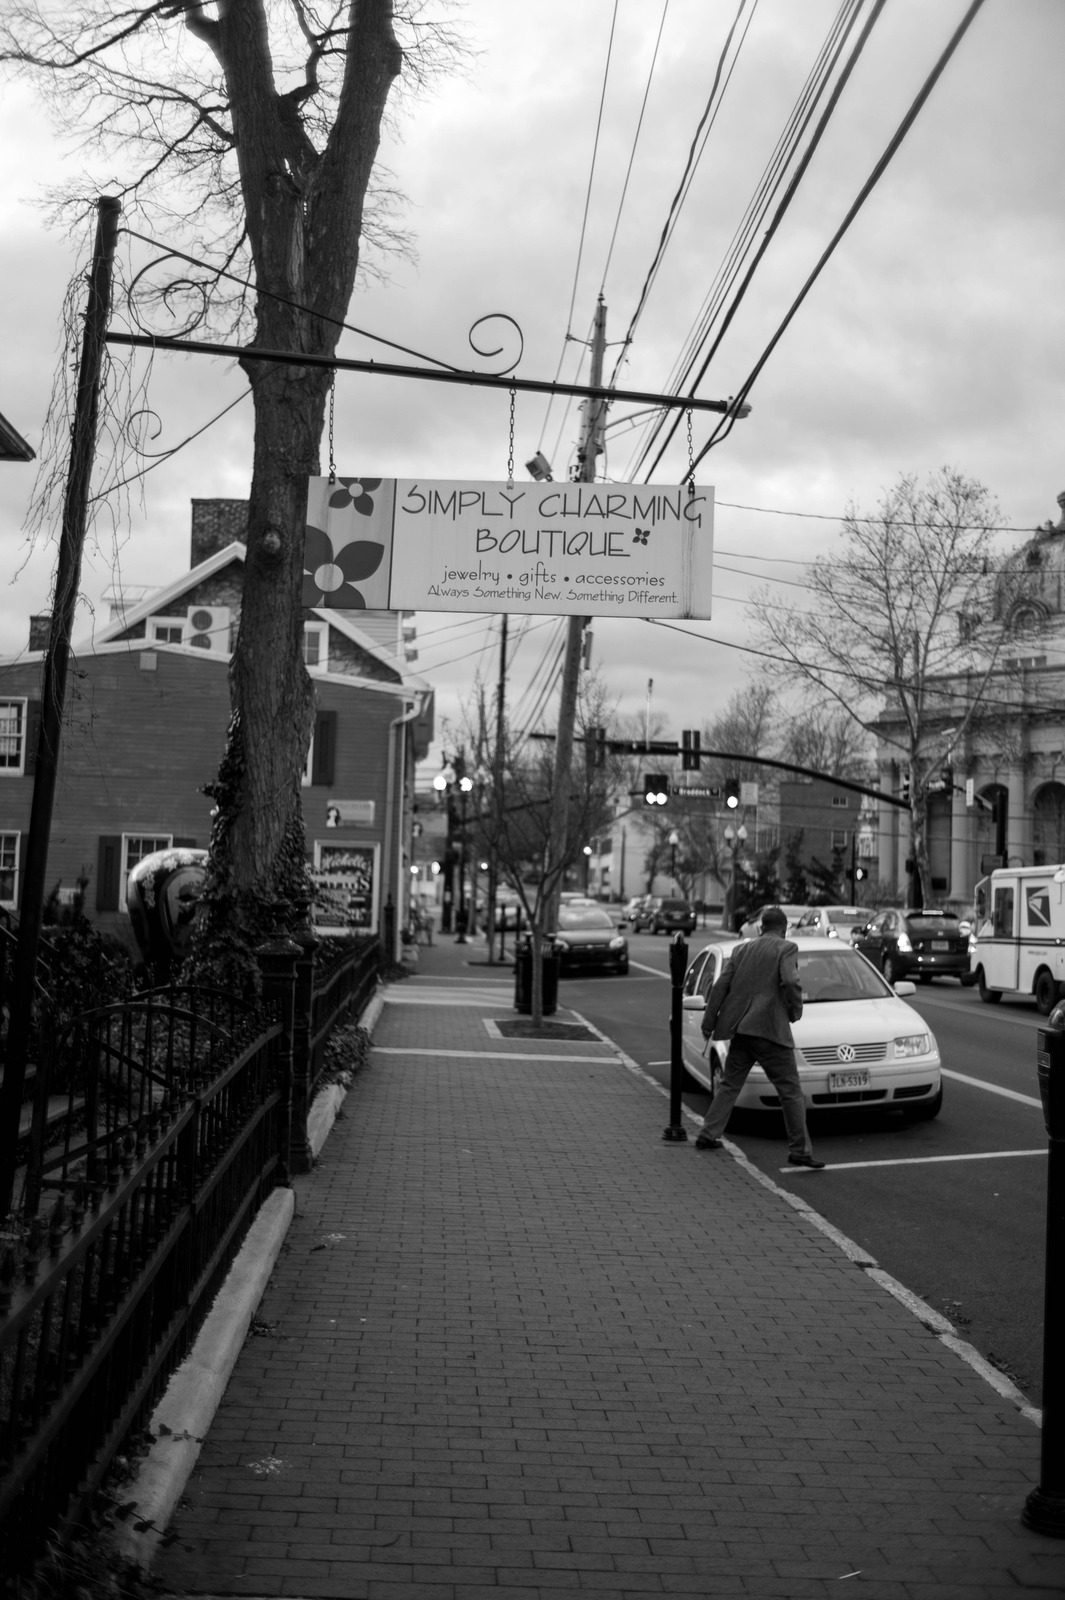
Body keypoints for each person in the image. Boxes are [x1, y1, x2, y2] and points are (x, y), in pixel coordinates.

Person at [695, 905, 825, 1169]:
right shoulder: (786, 949)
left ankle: (708, 1134)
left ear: (761, 927)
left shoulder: (741, 950)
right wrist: (795, 1010)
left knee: (730, 1085)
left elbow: (720, 986)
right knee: (790, 1091)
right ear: (784, 928)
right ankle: (799, 1150)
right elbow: (790, 981)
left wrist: (709, 1023)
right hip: (770, 1030)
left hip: (741, 1029)